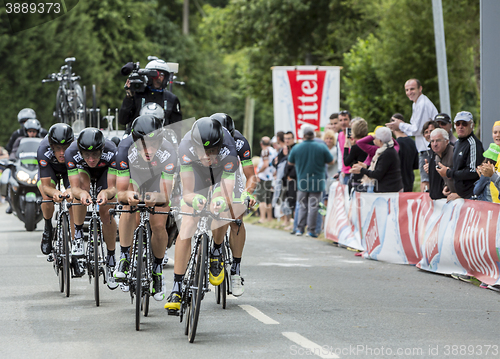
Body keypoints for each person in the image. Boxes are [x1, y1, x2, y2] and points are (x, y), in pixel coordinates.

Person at [164, 117, 239, 314]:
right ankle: (177, 288)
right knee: (188, 224)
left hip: (220, 174)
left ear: (220, 146)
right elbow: (188, 191)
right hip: (195, 175)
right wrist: (194, 200)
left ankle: (216, 250)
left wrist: (219, 199)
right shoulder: (186, 146)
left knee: (220, 208)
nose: (208, 156)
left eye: (213, 151)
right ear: (194, 145)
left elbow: (227, 189)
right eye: (203, 151)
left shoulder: (229, 148)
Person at [113, 115, 177, 299]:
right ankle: (124, 257)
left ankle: (157, 269)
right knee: (127, 207)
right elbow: (120, 191)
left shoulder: (168, 151)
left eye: (153, 144)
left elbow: (166, 195)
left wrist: (155, 197)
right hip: (135, 181)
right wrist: (129, 196)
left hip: (158, 185)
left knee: (158, 224)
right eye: (143, 144)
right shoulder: (125, 148)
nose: (149, 150)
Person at [65, 128, 119, 290]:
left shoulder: (112, 151)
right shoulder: (71, 152)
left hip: (106, 173)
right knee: (82, 188)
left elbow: (114, 188)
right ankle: (79, 235)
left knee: (106, 210)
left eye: (95, 154)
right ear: (79, 150)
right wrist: (81, 193)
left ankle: (110, 259)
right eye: (86, 155)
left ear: (102, 149)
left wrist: (106, 193)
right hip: (84, 174)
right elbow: (73, 187)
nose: (91, 159)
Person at [210, 113, 257, 296]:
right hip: (211, 173)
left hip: (233, 174)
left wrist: (247, 193)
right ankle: (215, 248)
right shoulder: (205, 137)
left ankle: (236, 269)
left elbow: (250, 175)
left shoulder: (239, 142)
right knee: (216, 211)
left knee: (236, 217)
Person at [37, 124, 84, 280]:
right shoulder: (43, 150)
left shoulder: (77, 148)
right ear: (51, 146)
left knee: (73, 199)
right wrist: (55, 192)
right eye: (58, 148)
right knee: (46, 195)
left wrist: (71, 191)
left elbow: (77, 184)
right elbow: (45, 185)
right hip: (50, 171)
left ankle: (75, 248)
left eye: (66, 147)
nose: (62, 152)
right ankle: (48, 227)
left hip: (69, 172)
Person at [386, 79, 438, 192]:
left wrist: (400, 125)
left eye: (412, 89)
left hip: (427, 149)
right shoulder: (416, 104)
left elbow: (418, 129)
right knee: (426, 181)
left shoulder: (422, 104)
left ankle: (426, 207)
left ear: (420, 89)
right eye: (407, 90)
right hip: (424, 148)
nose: (409, 92)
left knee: (425, 182)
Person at [288, 126, 334, 237]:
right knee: (314, 206)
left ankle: (299, 229)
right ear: (314, 135)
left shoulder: (297, 148)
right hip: (317, 181)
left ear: (303, 136)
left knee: (302, 205)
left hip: (302, 181)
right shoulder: (321, 147)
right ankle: (311, 230)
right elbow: (331, 161)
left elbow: (290, 162)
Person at [118, 58, 182, 135]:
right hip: (136, 137)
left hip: (161, 139)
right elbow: (123, 120)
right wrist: (129, 96)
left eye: (162, 75)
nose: (159, 77)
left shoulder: (171, 99)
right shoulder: (137, 95)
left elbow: (177, 128)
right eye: (155, 74)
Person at [436, 111, 484, 200]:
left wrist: (448, 173)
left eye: (464, 124)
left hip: (471, 197)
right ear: (454, 126)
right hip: (460, 195)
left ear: (472, 125)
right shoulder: (457, 143)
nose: (460, 126)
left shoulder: (473, 144)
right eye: (458, 124)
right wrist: (449, 185)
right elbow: (457, 169)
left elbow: (473, 172)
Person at [351, 127, 403, 193]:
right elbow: (381, 170)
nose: (373, 139)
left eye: (375, 138)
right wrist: (366, 167)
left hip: (389, 191)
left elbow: (377, 174)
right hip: (390, 189)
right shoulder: (389, 149)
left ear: (379, 141)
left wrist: (361, 170)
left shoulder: (386, 153)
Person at [388, 113, 418, 192]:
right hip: (409, 181)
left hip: (396, 183)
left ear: (391, 127)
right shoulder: (413, 142)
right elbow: (416, 165)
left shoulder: (394, 145)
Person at [423, 128, 455, 200]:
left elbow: (463, 176)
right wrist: (446, 186)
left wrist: (458, 193)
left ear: (447, 141)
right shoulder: (436, 157)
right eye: (432, 141)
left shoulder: (454, 154)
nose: (435, 144)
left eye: (438, 140)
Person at [342, 118, 368, 192]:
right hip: (368, 177)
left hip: (357, 179)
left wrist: (346, 148)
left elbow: (347, 162)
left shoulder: (356, 147)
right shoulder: (371, 143)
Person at [255, 136, 277, 223]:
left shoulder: (265, 151)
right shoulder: (273, 151)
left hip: (263, 177)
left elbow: (265, 164)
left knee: (261, 198)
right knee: (268, 199)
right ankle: (269, 218)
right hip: (270, 176)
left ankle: (262, 218)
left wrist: (258, 173)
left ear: (261, 143)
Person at [478, 121, 500, 203]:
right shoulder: (498, 155)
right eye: (495, 132)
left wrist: (491, 174)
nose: (497, 135)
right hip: (494, 203)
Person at [418, 120, 439, 192]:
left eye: (431, 131)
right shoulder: (427, 152)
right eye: (426, 132)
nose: (429, 134)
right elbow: (424, 180)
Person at [337, 110, 352, 184]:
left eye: (345, 119)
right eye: (340, 120)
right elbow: (340, 153)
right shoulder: (340, 135)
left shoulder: (354, 134)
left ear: (350, 120)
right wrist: (340, 170)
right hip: (344, 171)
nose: (343, 122)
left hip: (353, 170)